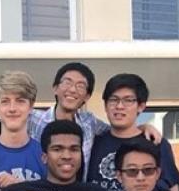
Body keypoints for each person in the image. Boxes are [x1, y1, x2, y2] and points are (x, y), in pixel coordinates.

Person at [27, 62, 162, 179]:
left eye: (80, 86)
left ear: (87, 96)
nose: (72, 89)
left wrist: (143, 127)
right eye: (67, 82)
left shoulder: (89, 122)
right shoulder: (32, 118)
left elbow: (117, 129)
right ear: (55, 88)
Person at [87, 74, 179, 191]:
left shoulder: (155, 143)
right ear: (105, 105)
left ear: (141, 106)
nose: (119, 106)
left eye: (128, 100)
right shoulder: (92, 143)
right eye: (113, 99)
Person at [0, 71, 47, 189]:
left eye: (20, 101)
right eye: (5, 101)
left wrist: (20, 188)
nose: (12, 108)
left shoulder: (45, 155)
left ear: (31, 107)